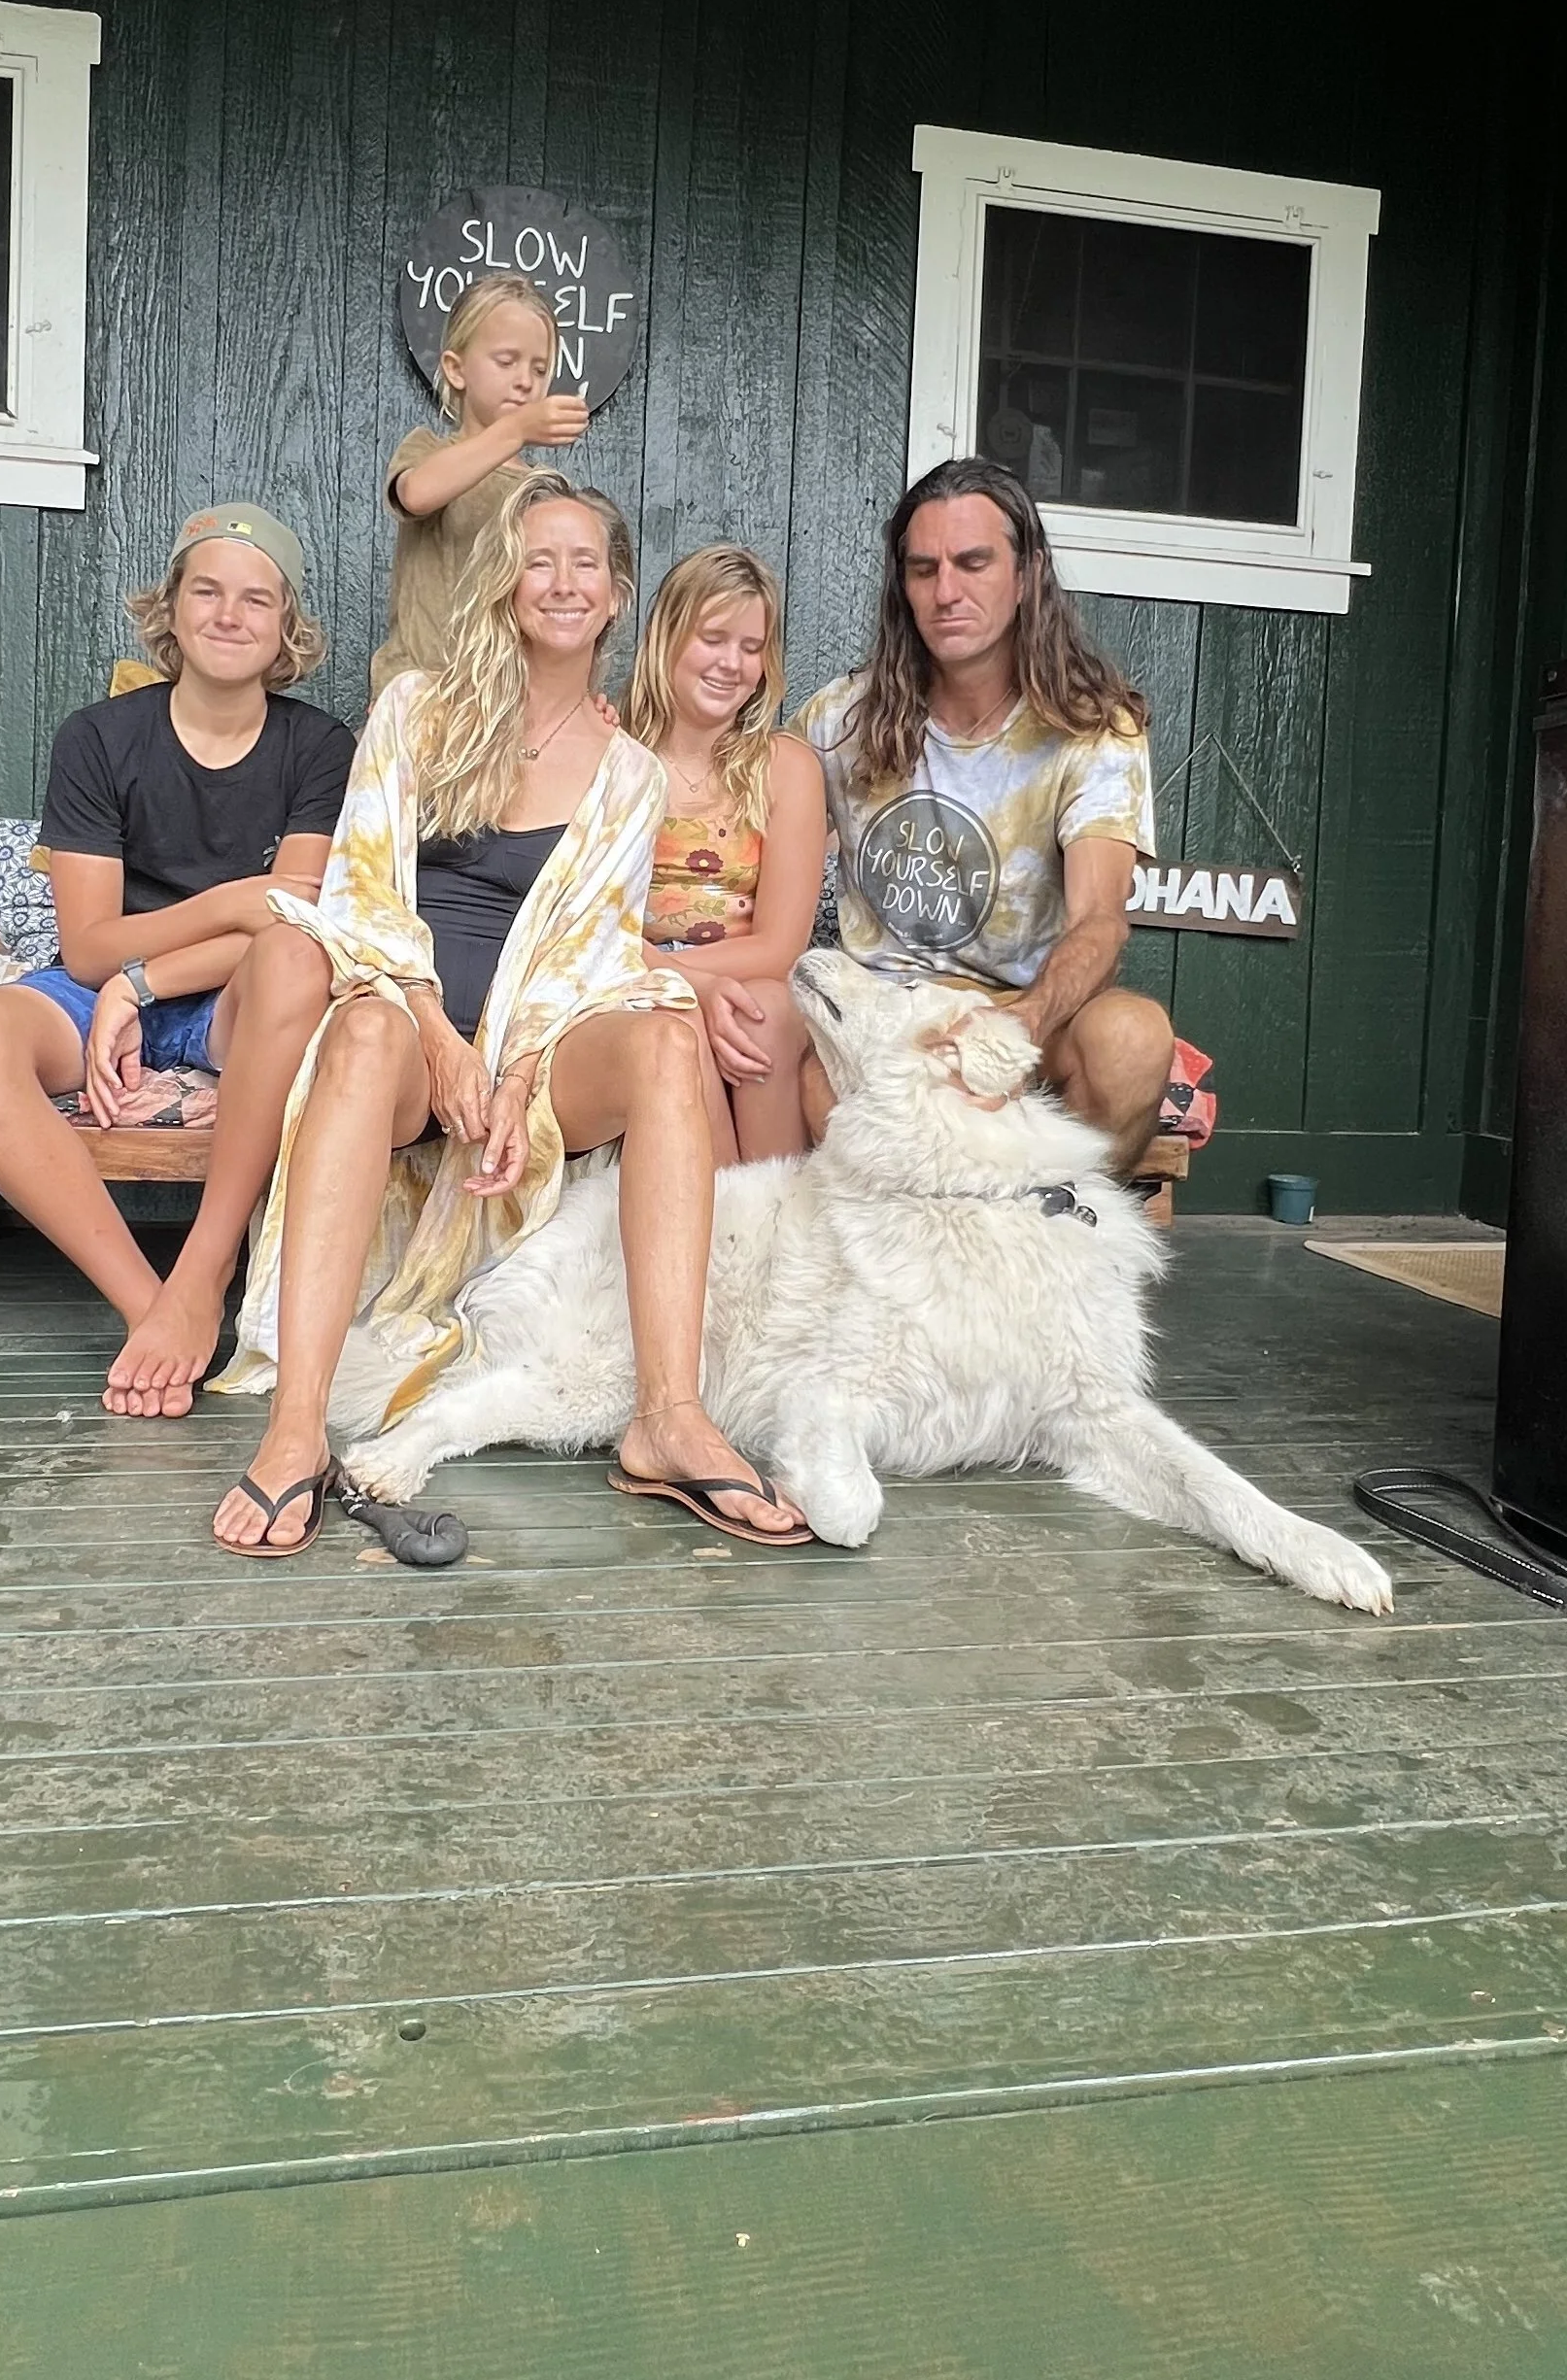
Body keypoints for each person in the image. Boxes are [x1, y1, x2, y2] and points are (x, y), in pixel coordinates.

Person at [211, 474, 810, 1558]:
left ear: (619, 594)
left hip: (537, 1047)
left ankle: (668, 1415)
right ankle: (295, 1428)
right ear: (505, 579)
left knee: (671, 1034)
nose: (564, 580)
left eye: (587, 562)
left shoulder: (628, 773)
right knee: (357, 1031)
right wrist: (439, 1037)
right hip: (407, 1024)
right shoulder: (418, 712)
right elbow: (361, 890)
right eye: (541, 558)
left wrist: (520, 1068)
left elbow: (592, 944)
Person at [0, 505, 350, 1417]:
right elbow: (86, 945)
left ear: (286, 629)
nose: (230, 615)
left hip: (230, 991)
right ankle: (149, 1305)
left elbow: (303, 926)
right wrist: (233, 899)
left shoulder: (319, 747)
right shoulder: (101, 737)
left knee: (294, 964)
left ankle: (204, 1265)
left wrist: (145, 978)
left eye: (257, 599)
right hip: (90, 988)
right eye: (207, 590)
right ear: (171, 609)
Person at [799, 459, 1175, 1164]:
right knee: (806, 1057)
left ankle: (1051, 1227)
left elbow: (1101, 919)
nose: (946, 592)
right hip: (884, 1012)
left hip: (1023, 1010)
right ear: (901, 586)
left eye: (974, 563)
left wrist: (1023, 1021)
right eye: (923, 569)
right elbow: (733, 816)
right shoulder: (839, 719)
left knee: (1132, 1039)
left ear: (1027, 573)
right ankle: (904, 1239)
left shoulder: (1093, 728)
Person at [626, 544, 827, 1164]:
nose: (731, 664)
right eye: (713, 638)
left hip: (750, 976)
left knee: (761, 1012)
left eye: (751, 646)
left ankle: (769, 1221)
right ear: (667, 638)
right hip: (629, 969)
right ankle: (716, 1225)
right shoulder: (612, 754)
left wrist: (700, 978)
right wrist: (683, 984)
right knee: (677, 1026)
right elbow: (585, 917)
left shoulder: (785, 766)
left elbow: (781, 944)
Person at [373, 270, 590, 692]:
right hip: (420, 691)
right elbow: (416, 494)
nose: (526, 380)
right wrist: (516, 430)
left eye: (540, 368)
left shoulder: (544, 489)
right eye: (506, 362)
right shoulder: (427, 450)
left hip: (505, 702)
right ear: (456, 370)